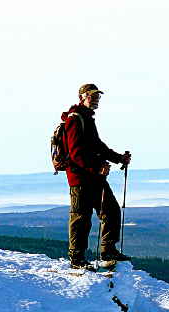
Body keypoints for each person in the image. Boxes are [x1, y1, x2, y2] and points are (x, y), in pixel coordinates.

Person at [61, 83, 132, 269]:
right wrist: (97, 167)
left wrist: (119, 159)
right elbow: (75, 153)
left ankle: (107, 251)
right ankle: (77, 259)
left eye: (97, 96)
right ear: (83, 97)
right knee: (81, 218)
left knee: (111, 211)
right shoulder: (75, 119)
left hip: (94, 177)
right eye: (93, 96)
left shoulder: (86, 118)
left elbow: (98, 146)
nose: (96, 99)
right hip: (80, 178)